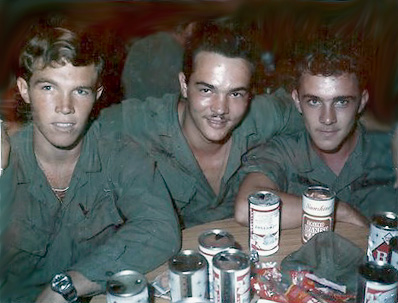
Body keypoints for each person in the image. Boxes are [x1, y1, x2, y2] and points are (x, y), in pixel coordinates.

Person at [0, 21, 180, 303]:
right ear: (24, 90)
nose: (65, 107)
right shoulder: (6, 161)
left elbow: (160, 228)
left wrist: (68, 285)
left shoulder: (120, 154)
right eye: (49, 87)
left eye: (80, 91)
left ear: (96, 97)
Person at [98, 20, 304, 228]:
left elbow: (318, 113)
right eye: (207, 90)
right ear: (184, 85)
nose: (220, 109)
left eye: (235, 93)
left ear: (250, 95)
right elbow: (82, 129)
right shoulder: (141, 123)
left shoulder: (262, 116)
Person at [234, 36, 397, 229]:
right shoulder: (284, 152)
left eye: (341, 102)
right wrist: (337, 210)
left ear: (361, 102)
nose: (327, 119)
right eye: (314, 101)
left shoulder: (388, 152)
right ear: (297, 101)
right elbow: (247, 208)